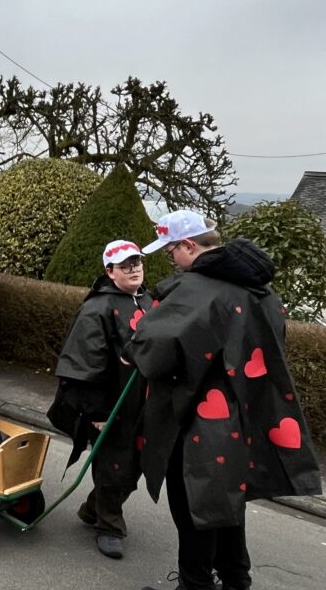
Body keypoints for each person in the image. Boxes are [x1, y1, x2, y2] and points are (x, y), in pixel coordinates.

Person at [128, 210, 321, 590]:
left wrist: (132, 350)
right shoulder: (258, 290)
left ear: (187, 246)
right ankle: (235, 580)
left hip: (199, 422)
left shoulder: (199, 289)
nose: (171, 261)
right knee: (227, 502)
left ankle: (195, 585)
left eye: (170, 252)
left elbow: (157, 350)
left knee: (193, 507)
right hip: (246, 416)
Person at [46, 240, 152, 560]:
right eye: (125, 265)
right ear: (110, 271)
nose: (134, 269)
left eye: (137, 263)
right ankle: (109, 526)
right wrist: (95, 410)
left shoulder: (149, 301)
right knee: (114, 464)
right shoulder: (98, 308)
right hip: (109, 406)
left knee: (137, 466)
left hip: (143, 404)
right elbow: (84, 360)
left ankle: (93, 508)